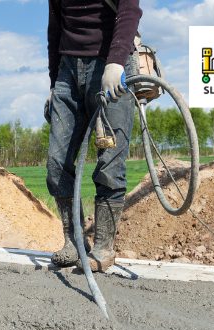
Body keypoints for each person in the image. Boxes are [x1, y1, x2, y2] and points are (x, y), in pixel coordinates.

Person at [46, 0, 141, 271]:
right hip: (67, 72)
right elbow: (55, 26)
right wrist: (54, 83)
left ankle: (104, 247)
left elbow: (129, 10)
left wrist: (116, 62)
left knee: (109, 164)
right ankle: (74, 241)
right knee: (56, 164)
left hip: (109, 66)